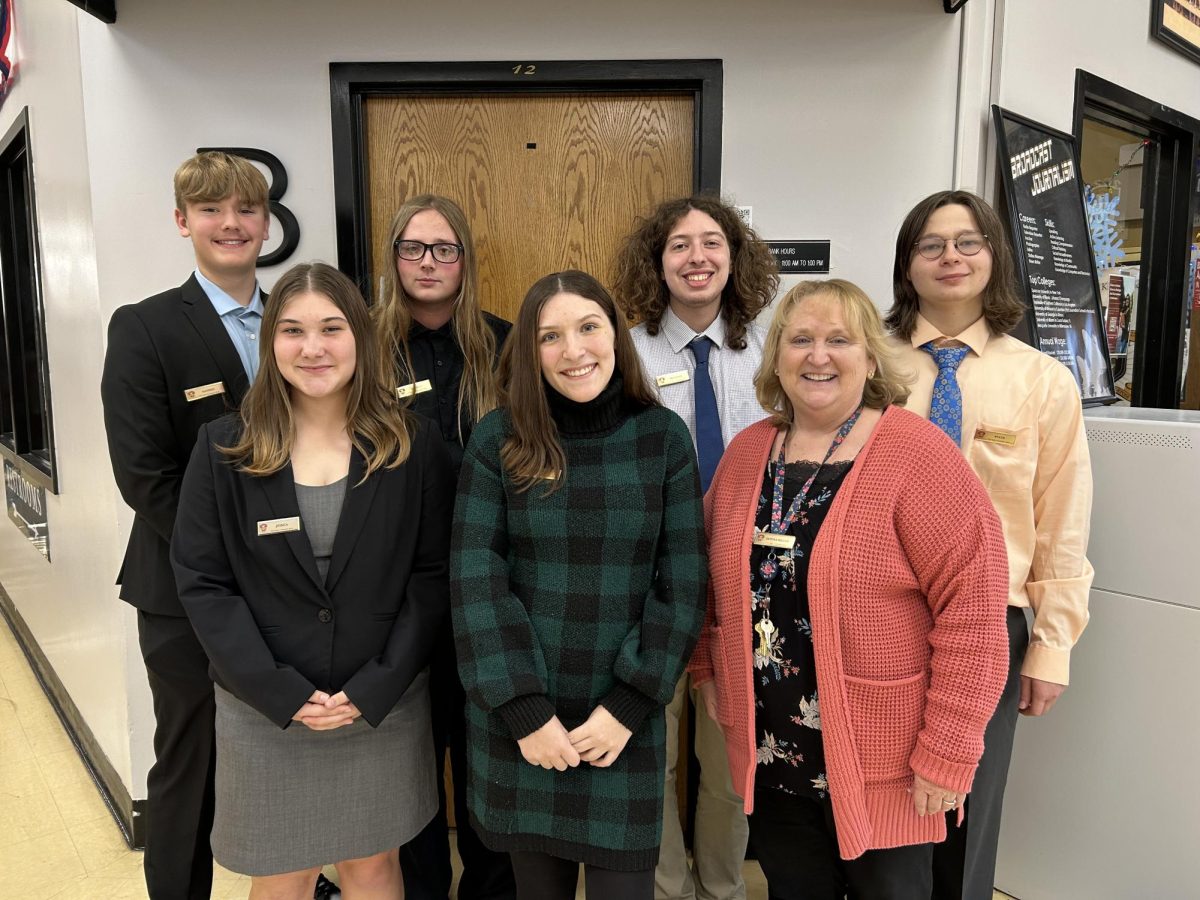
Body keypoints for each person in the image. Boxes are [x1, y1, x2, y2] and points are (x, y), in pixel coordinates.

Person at [691, 279, 1011, 900]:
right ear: (776, 356)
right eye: (801, 339)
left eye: (840, 340)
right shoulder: (748, 453)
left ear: (871, 358)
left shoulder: (918, 455)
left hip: (885, 759)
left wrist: (949, 748)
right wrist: (707, 667)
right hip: (772, 754)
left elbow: (973, 614)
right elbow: (704, 574)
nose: (819, 356)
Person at [170, 262, 452, 898]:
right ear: (271, 344)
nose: (314, 348)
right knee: (282, 870)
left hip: (379, 704)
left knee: (373, 865)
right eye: (293, 331)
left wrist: (378, 684)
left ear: (360, 337)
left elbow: (432, 577)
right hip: (265, 709)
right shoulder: (224, 450)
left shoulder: (413, 445)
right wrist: (278, 691)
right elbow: (203, 583)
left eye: (331, 327)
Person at [451, 270, 707, 900]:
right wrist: (524, 710)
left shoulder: (662, 438)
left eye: (589, 327)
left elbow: (682, 586)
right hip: (525, 727)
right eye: (550, 336)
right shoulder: (498, 440)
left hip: (622, 722)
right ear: (528, 353)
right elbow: (476, 583)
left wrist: (627, 705)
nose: (574, 351)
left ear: (615, 335)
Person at [886, 190, 1094, 900]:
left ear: (994, 257)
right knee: (880, 805)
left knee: (967, 803)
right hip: (875, 614)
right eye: (931, 244)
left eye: (968, 242)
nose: (951, 257)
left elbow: (1062, 520)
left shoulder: (1041, 381)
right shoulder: (866, 368)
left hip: (989, 626)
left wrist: (1054, 643)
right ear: (906, 265)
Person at [100, 150, 271, 900]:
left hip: (298, 589)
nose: (229, 224)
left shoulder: (303, 321)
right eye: (210, 210)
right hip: (185, 594)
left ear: (268, 222)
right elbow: (146, 477)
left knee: (286, 754)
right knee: (190, 762)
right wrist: (237, 564)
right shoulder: (144, 328)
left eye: (244, 209)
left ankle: (298, 878)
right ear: (182, 222)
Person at [612, 194, 777, 900]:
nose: (697, 257)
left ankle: (722, 888)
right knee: (656, 755)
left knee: (731, 753)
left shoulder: (774, 351)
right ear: (658, 262)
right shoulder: (625, 351)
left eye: (712, 242)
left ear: (734, 257)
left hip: (747, 585)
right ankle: (665, 890)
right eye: (679, 245)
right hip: (652, 585)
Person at [376, 194, 515, 900]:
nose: (428, 263)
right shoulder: (363, 348)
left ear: (465, 260)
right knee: (408, 761)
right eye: (413, 248)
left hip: (492, 590)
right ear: (393, 258)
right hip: (397, 596)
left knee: (489, 756)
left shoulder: (508, 344)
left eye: (444, 249)